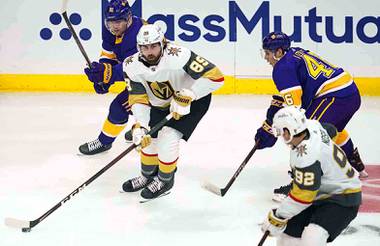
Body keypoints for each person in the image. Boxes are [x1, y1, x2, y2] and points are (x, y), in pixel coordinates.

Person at [85, 24, 224, 199]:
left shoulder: (179, 55)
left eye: (154, 46)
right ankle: (147, 176)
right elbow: (138, 98)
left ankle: (165, 179)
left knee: (168, 137)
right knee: (148, 139)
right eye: (145, 47)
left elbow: (216, 77)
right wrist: (140, 125)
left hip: (194, 100)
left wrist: (190, 94)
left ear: (162, 44)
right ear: (138, 47)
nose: (150, 51)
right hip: (160, 102)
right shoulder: (131, 65)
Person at [254, 31, 368, 201]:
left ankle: (302, 185)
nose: (265, 57)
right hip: (348, 92)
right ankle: (354, 163)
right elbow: (292, 93)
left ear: (279, 52)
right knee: (332, 130)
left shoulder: (281, 68)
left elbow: (294, 111)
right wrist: (271, 118)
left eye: (268, 53)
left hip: (335, 97)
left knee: (306, 135)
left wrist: (271, 128)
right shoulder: (294, 54)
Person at [261, 106, 361, 246]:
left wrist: (278, 216)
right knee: (287, 238)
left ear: (290, 130)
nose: (282, 137)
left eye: (281, 132)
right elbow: (331, 130)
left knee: (313, 237)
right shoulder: (312, 125)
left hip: (343, 197)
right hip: (320, 194)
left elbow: (303, 195)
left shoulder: (306, 157)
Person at [80, 0, 146, 155]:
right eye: (110, 22)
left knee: (119, 108)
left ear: (128, 19)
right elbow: (109, 54)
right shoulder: (110, 31)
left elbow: (134, 67)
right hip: (139, 79)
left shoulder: (138, 33)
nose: (114, 26)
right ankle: (143, 127)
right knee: (128, 106)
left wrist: (107, 73)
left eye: (118, 21)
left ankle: (105, 142)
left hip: (154, 81)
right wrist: (102, 78)